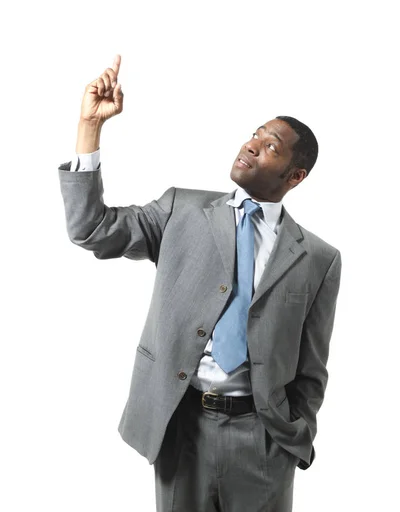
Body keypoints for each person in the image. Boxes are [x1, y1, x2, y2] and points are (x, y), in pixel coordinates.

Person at [58, 54, 342, 512]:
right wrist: (89, 129)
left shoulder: (319, 260)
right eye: (255, 133)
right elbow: (90, 228)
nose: (252, 145)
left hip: (264, 444)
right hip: (182, 427)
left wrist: (293, 435)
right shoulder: (181, 211)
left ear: (296, 176)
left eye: (271, 145)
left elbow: (312, 368)